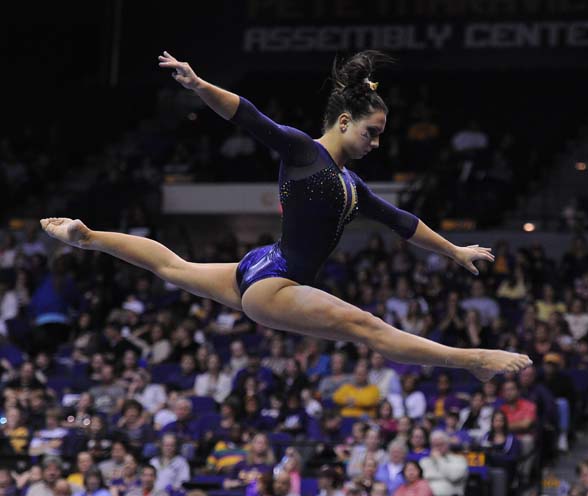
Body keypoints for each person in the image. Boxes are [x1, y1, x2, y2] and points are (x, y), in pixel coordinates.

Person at [41, 51, 531, 382]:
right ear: (344, 122)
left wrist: (454, 250)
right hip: (274, 285)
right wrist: (197, 84)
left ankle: (89, 237)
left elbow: (404, 222)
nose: (377, 144)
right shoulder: (304, 152)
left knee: (174, 268)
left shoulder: (353, 185)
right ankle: (473, 361)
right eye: (372, 132)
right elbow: (249, 115)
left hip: (264, 267)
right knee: (366, 327)